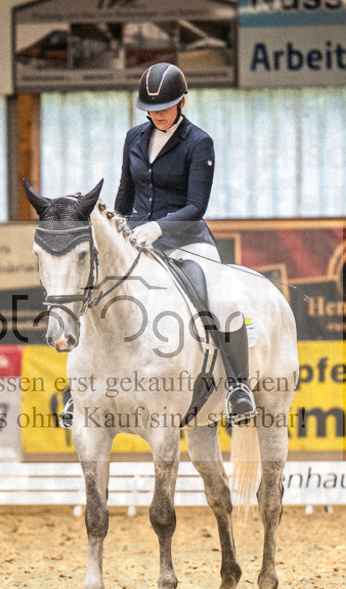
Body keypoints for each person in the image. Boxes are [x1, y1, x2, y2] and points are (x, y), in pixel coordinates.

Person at [114, 62, 256, 424]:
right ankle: (78, 390)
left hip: (186, 238)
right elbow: (124, 194)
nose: (158, 115)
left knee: (223, 299)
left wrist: (159, 227)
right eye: (151, 109)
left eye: (165, 107)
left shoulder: (198, 141)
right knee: (101, 290)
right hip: (137, 237)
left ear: (182, 102)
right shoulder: (133, 137)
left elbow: (196, 206)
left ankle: (239, 387)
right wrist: (117, 230)